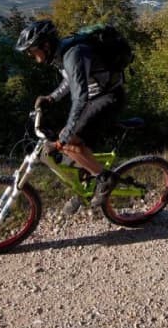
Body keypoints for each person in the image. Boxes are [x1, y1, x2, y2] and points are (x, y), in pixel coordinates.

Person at [15, 19, 125, 208]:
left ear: (46, 45)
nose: (32, 56)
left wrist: (65, 136)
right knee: (72, 148)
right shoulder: (62, 53)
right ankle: (85, 189)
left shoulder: (73, 54)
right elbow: (71, 80)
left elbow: (80, 97)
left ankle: (104, 179)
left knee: (69, 141)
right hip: (95, 96)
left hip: (108, 96)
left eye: (32, 51)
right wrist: (52, 98)